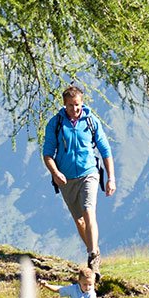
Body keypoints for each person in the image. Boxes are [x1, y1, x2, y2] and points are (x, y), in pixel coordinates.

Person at [42, 86, 115, 272]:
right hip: (66, 179)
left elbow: (105, 150)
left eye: (78, 105)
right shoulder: (55, 124)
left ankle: (92, 257)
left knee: (89, 211)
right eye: (71, 105)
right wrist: (55, 173)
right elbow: (47, 153)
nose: (75, 109)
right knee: (80, 221)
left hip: (89, 173)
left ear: (82, 102)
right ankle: (94, 249)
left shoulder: (91, 121)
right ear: (64, 105)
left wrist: (111, 178)